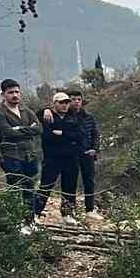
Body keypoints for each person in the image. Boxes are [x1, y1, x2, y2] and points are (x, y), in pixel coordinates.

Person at [0, 79, 40, 217]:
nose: (15, 95)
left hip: (29, 154)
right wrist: (28, 129)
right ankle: (15, 220)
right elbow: (8, 132)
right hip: (11, 155)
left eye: (17, 92)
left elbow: (39, 128)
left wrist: (19, 128)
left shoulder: (26, 110)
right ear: (3, 94)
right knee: (14, 188)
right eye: (10, 92)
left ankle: (30, 219)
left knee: (29, 187)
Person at [36, 92, 82, 221]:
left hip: (71, 158)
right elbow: (47, 135)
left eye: (67, 102)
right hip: (52, 158)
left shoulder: (73, 116)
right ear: (54, 104)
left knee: (69, 186)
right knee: (46, 186)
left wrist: (61, 133)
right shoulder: (47, 116)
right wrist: (45, 110)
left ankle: (67, 213)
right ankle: (36, 212)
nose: (65, 105)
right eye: (61, 102)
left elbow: (78, 135)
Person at [67, 90, 100, 214]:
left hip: (88, 153)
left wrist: (95, 149)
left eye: (78, 99)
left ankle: (90, 209)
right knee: (70, 182)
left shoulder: (88, 117)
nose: (76, 102)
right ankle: (70, 210)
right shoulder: (65, 116)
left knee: (89, 181)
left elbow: (95, 134)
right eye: (73, 99)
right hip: (71, 154)